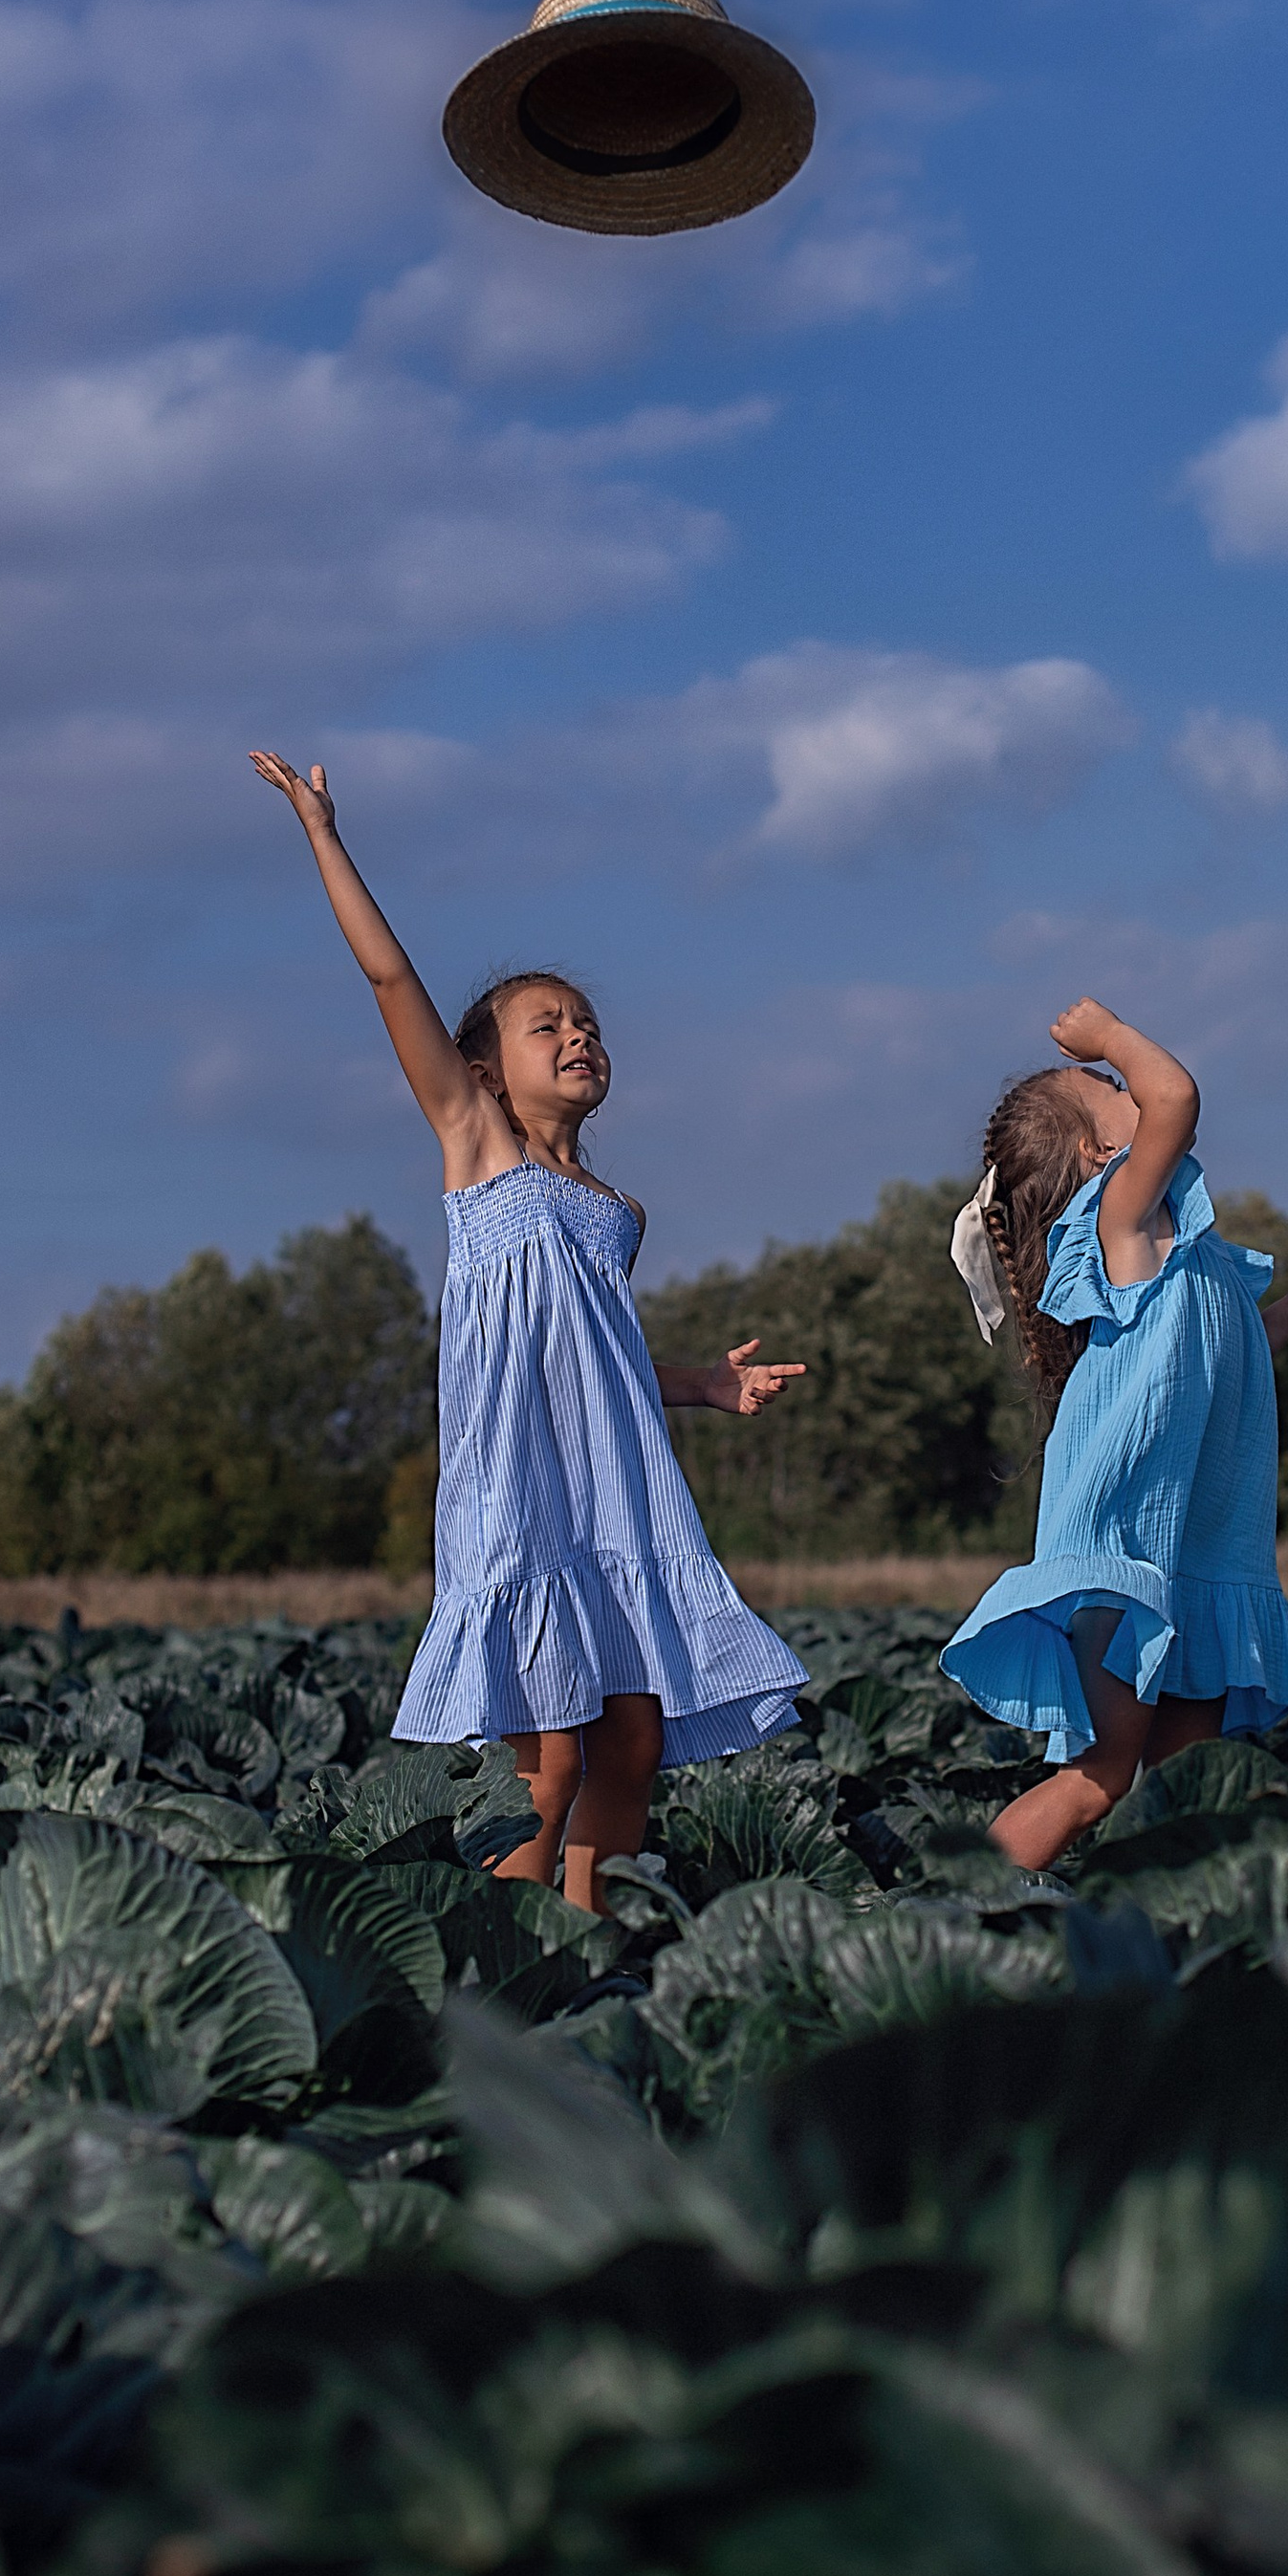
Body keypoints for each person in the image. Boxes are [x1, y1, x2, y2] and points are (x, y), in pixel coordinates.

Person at [249, 753, 809, 1911]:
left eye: (588, 1023)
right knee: (548, 1761)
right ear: (482, 1073)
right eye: (545, 1024)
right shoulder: (478, 1152)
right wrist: (322, 835)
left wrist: (700, 1384)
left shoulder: (617, 1214)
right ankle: (504, 1955)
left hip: (619, 1497)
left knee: (635, 1742)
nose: (576, 1036)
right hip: (519, 1491)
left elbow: (593, 1361)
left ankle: (586, 1936)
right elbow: (390, 979)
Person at [941, 995, 1288, 1870]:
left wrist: (1286, 1317)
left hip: (1199, 1559)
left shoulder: (1187, 1257)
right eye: (1105, 1087)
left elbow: (1221, 1355)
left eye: (1112, 1075)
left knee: (1185, 1780)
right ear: (1102, 1155)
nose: (1126, 1084)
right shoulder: (1120, 1224)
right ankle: (951, 1907)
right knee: (1101, 1776)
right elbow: (1176, 1096)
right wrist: (1113, 1038)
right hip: (1127, 1556)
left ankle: (1159, 1933)